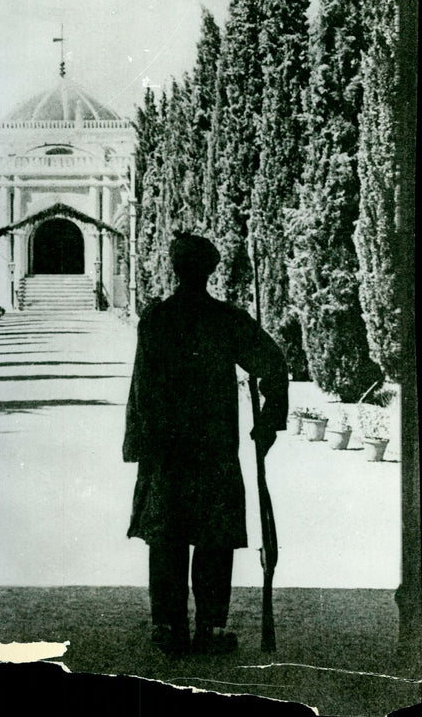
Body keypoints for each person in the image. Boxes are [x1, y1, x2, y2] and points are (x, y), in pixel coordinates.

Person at [123, 232, 288, 656]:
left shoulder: (157, 318)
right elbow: (274, 365)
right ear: (210, 270)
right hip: (213, 448)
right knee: (212, 536)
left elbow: (140, 390)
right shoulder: (225, 319)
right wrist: (268, 423)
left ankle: (169, 626)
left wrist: (141, 442)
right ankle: (210, 628)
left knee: (167, 536)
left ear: (175, 269)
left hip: (168, 447)